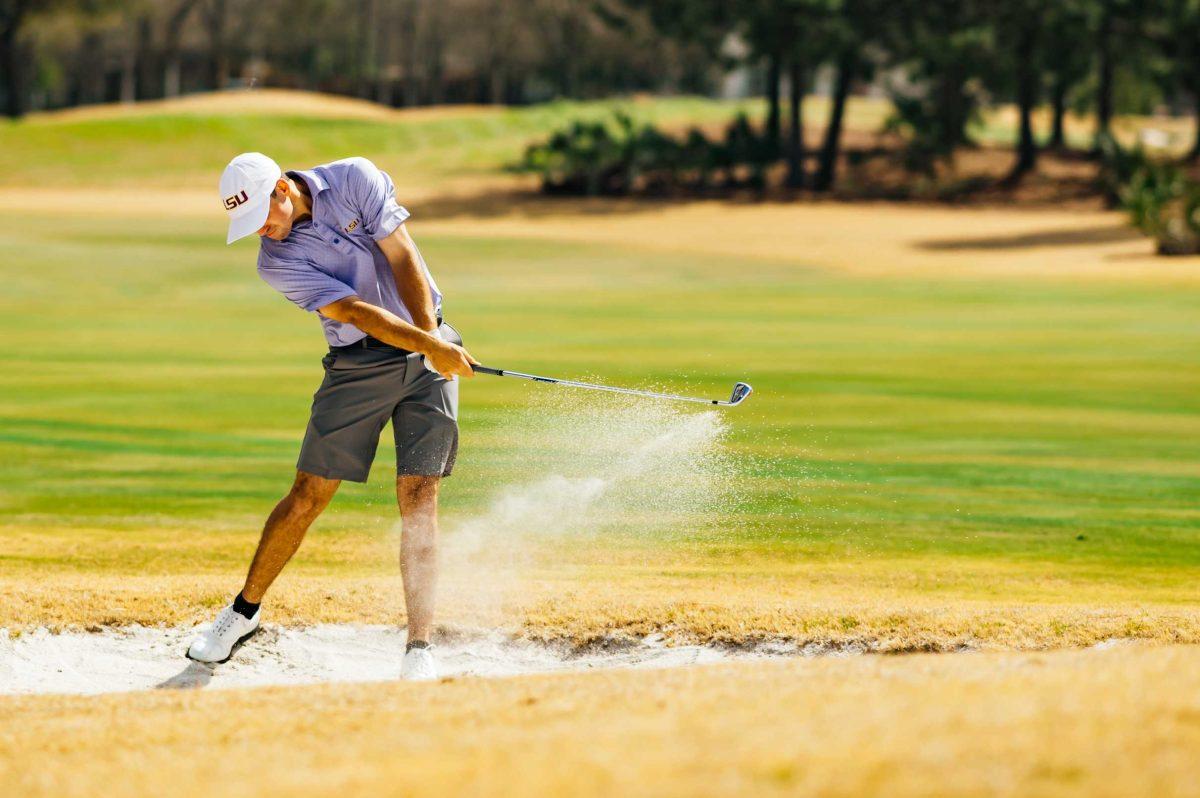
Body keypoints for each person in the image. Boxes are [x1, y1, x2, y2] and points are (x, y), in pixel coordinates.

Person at [186, 152, 477, 680]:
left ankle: (419, 647)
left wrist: (431, 341)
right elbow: (352, 312)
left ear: (281, 188)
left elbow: (402, 255)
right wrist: (428, 345)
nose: (262, 233)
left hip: (428, 340)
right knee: (307, 495)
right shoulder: (274, 261)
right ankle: (243, 613)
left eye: (262, 218)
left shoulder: (354, 179)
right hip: (357, 365)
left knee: (420, 495)